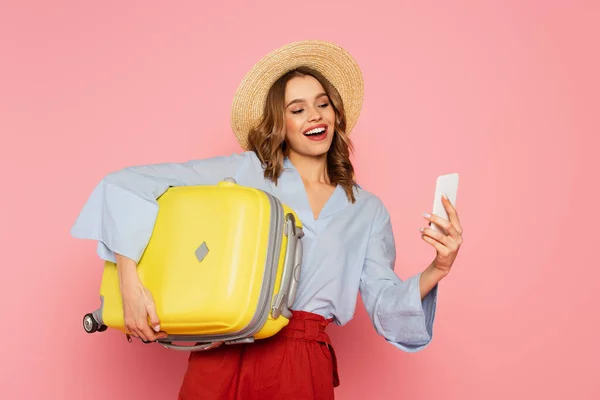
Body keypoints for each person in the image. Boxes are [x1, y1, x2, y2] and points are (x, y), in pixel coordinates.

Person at [71, 40, 463, 399]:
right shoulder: (245, 172)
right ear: (281, 123)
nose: (314, 115)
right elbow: (125, 185)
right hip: (226, 350)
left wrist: (439, 266)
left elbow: (388, 309)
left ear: (337, 112)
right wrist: (129, 283)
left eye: (322, 103)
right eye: (298, 109)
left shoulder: (368, 209)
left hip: (302, 362)